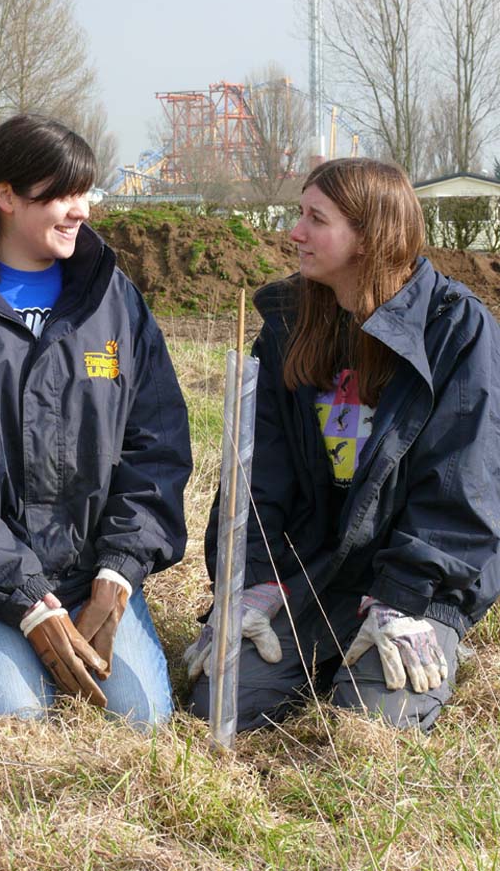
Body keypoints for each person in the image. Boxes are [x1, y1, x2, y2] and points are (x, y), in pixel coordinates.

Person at [186, 157, 500, 732]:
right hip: (312, 574)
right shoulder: (289, 324)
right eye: (299, 213)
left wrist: (403, 600)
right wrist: (254, 585)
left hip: (408, 584)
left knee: (372, 722)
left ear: (368, 236)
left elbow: (463, 484)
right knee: (223, 705)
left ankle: (431, 642)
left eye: (315, 218)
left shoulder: (457, 329)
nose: (294, 232)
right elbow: (261, 477)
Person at [0, 114, 192, 726]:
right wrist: (27, 599)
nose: (80, 209)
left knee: (139, 718)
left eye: (84, 191)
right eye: (60, 194)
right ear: (4, 196)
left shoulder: (114, 300)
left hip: (88, 573)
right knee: (17, 710)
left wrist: (119, 570)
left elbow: (156, 447)